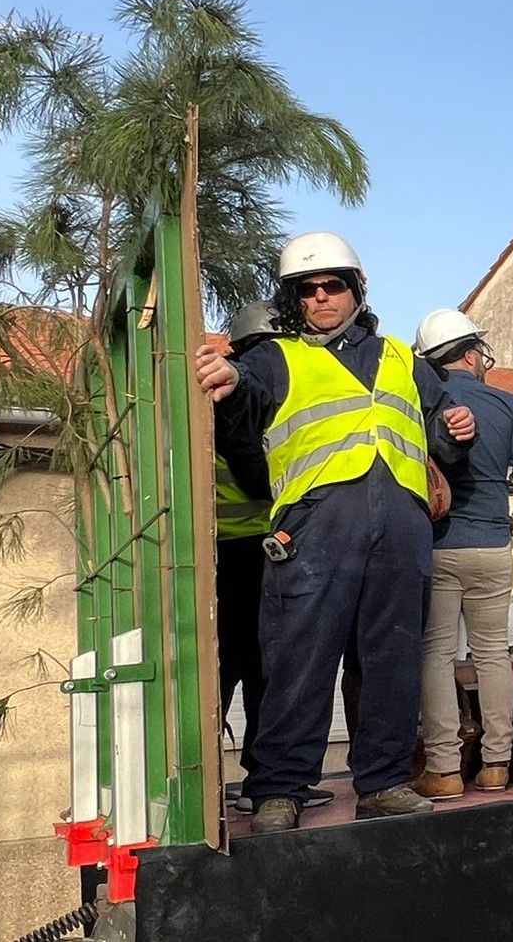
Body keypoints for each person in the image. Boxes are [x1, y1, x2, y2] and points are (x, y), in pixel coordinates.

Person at [194, 231, 476, 832]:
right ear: (293, 300)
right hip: (314, 528)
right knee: (299, 659)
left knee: (390, 658)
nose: (321, 297)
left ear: (356, 290)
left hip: (401, 529)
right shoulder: (274, 358)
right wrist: (229, 378)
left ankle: (384, 782)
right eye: (307, 290)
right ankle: (278, 789)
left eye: (333, 285)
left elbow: (440, 436)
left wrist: (454, 427)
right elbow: (245, 401)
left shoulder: (405, 359)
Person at [410, 308, 513, 799]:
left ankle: (444, 769)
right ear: (472, 353)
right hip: (493, 549)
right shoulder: (508, 403)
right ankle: (496, 765)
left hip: (439, 547)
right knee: (492, 654)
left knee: (436, 654)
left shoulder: (419, 402)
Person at [213, 300, 334, 814]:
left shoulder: (213, 394)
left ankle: (241, 783)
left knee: (226, 667)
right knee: (268, 669)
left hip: (219, 552)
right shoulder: (247, 397)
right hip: (257, 549)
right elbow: (258, 472)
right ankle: (266, 782)